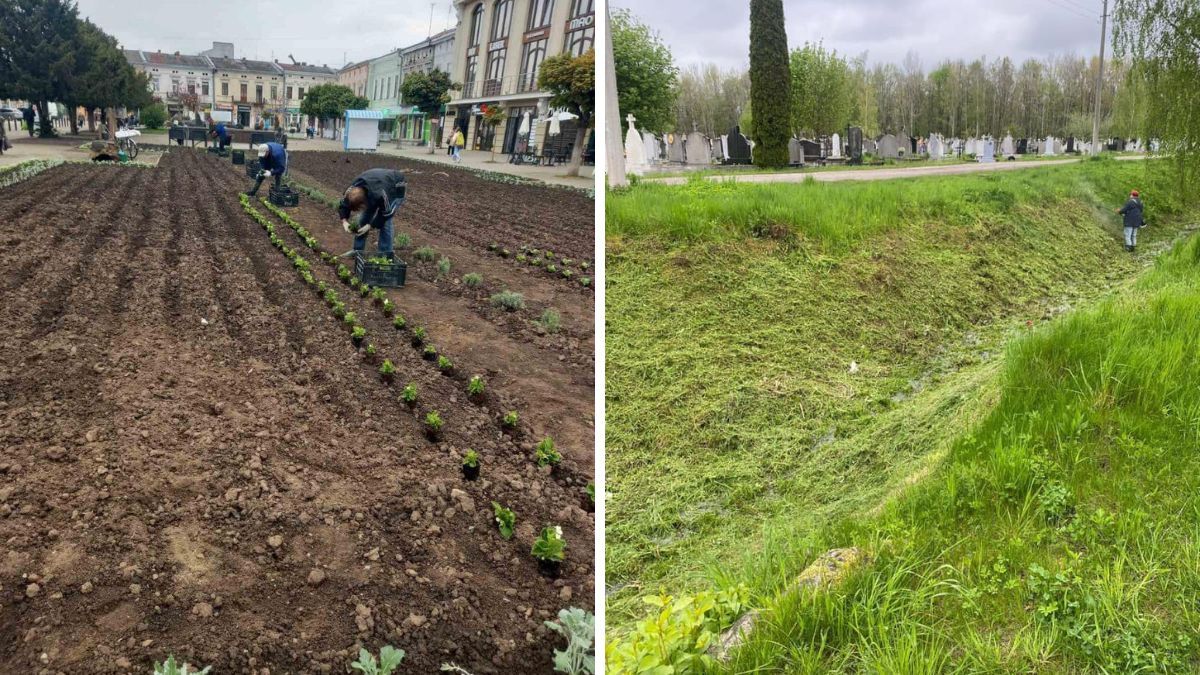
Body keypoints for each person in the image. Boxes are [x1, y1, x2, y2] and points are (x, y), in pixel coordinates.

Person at [337, 169, 407, 260]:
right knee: (364, 218)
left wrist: (370, 225)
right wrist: (344, 221)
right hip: (375, 182)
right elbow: (344, 205)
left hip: (396, 185)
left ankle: (385, 255)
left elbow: (386, 214)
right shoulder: (351, 190)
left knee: (386, 223)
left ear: (365, 202)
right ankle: (357, 250)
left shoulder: (382, 194)